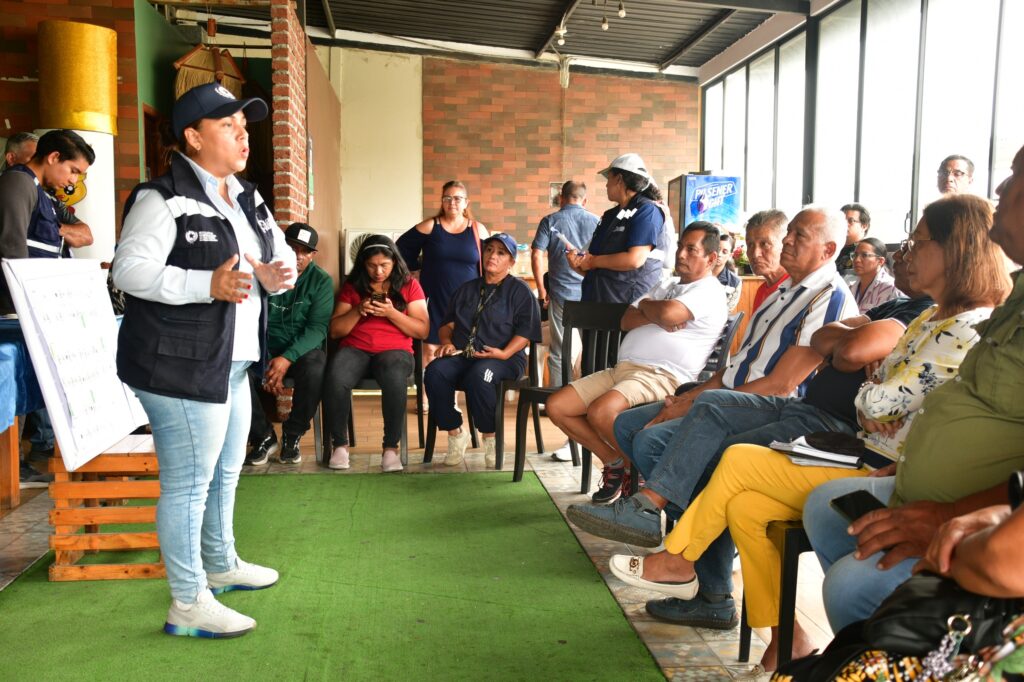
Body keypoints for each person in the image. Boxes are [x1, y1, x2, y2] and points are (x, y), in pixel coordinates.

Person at [602, 193, 1008, 670]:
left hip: (870, 455)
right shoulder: (924, 317)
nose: (906, 252)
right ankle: (786, 637)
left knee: (732, 458)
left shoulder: (960, 327)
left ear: (955, 252)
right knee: (744, 503)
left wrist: (869, 374)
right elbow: (860, 374)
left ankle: (680, 556)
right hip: (863, 441)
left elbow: (871, 394)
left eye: (919, 243)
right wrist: (868, 373)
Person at [564, 206, 856, 620]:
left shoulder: (828, 297)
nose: (786, 242)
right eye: (787, 234)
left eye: (797, 237)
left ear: (828, 249)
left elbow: (782, 385)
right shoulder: (785, 292)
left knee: (665, 443)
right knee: (633, 424)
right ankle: (690, 563)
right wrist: (689, 397)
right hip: (733, 400)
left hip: (777, 414)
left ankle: (694, 568)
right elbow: (733, 369)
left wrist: (700, 401)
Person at [803, 166, 1024, 633]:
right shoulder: (1013, 298)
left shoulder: (965, 318)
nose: (1001, 187)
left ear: (955, 251)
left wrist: (949, 514)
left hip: (977, 509)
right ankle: (880, 638)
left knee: (850, 585)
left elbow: (881, 398)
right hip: (907, 472)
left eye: (1017, 173)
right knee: (826, 509)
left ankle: (889, 634)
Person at [112, 82, 296, 638]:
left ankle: (220, 563)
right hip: (178, 366)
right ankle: (188, 600)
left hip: (231, 363)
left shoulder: (247, 197)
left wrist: (271, 276)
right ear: (193, 137)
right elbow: (127, 271)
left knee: (225, 471)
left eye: (244, 125)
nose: (242, 134)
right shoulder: (161, 197)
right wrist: (204, 283)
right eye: (226, 126)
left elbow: (277, 254)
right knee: (190, 483)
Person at [546, 222, 728, 502]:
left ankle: (638, 472)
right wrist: (654, 312)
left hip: (662, 375)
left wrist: (652, 309)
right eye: (680, 246)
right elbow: (626, 320)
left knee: (601, 411)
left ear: (711, 258)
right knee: (557, 406)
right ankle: (617, 463)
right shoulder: (667, 283)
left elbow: (667, 313)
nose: (681, 254)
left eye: (691, 249)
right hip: (623, 370)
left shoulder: (709, 291)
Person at [423, 233, 541, 468]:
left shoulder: (520, 292)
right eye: (489, 250)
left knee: (481, 376)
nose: (492, 256)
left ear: (511, 262)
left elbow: (527, 332)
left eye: (501, 252)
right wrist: (447, 342)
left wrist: (505, 353)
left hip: (504, 359)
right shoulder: (466, 289)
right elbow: (447, 325)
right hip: (464, 354)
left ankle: (491, 437)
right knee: (435, 371)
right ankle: (456, 433)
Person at [323, 235, 428, 472]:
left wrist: (391, 313)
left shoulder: (409, 285)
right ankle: (339, 445)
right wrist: (359, 310)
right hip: (356, 349)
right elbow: (336, 330)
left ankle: (390, 449)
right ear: (362, 263)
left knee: (394, 377)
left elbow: (422, 329)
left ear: (395, 263)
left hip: (395, 352)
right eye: (371, 265)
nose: (378, 271)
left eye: (384, 265)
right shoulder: (353, 286)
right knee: (336, 374)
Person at [245, 223, 333, 466]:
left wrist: (287, 358)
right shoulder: (264, 274)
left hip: (299, 352)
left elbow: (317, 329)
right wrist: (264, 357)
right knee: (237, 368)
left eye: (304, 251)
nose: (297, 256)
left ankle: (292, 435)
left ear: (313, 254)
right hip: (264, 348)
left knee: (317, 366)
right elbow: (250, 318)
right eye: (291, 248)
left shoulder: (321, 281)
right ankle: (262, 435)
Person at [0, 129, 95, 314]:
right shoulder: (19, 182)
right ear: (53, 157)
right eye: (73, 171)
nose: (73, 181)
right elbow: (12, 251)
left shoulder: (41, 193)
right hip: (16, 310)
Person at [397, 180, 488, 370]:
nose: (452, 202)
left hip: (467, 300)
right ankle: (426, 398)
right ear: (442, 202)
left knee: (458, 349)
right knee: (430, 349)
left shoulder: (477, 229)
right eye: (447, 198)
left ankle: (451, 399)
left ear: (466, 203)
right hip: (435, 297)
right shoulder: (431, 226)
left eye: (457, 198)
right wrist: (415, 269)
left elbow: (489, 262)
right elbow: (400, 249)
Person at [571, 153, 671, 304]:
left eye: (608, 179)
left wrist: (592, 262)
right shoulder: (611, 215)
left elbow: (635, 259)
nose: (606, 185)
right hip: (599, 299)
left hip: (627, 305)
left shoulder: (647, 211)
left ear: (619, 179)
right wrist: (578, 263)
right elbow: (598, 264)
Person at [531, 180, 599, 390]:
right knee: (591, 349)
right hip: (590, 295)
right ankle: (587, 397)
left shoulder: (550, 220)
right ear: (584, 200)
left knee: (561, 350)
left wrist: (542, 291)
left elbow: (536, 255)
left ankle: (556, 398)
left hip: (561, 294)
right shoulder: (597, 222)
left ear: (561, 198)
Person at [745, 209, 789, 312]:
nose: (755, 254)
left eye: (764, 244)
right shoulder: (762, 291)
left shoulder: (795, 290)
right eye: (750, 245)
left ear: (786, 244)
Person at [850, 237, 902, 313]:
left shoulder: (891, 289)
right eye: (855, 255)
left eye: (864, 255)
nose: (857, 260)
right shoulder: (851, 287)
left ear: (880, 261)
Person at [836, 202, 871, 276]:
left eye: (851, 221)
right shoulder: (833, 249)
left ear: (864, 226)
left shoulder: (869, 253)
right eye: (842, 220)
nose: (845, 224)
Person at [714, 231, 741, 311]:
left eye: (724, 252)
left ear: (730, 255)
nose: (719, 254)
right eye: (717, 249)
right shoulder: (698, 272)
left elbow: (728, 310)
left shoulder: (735, 282)